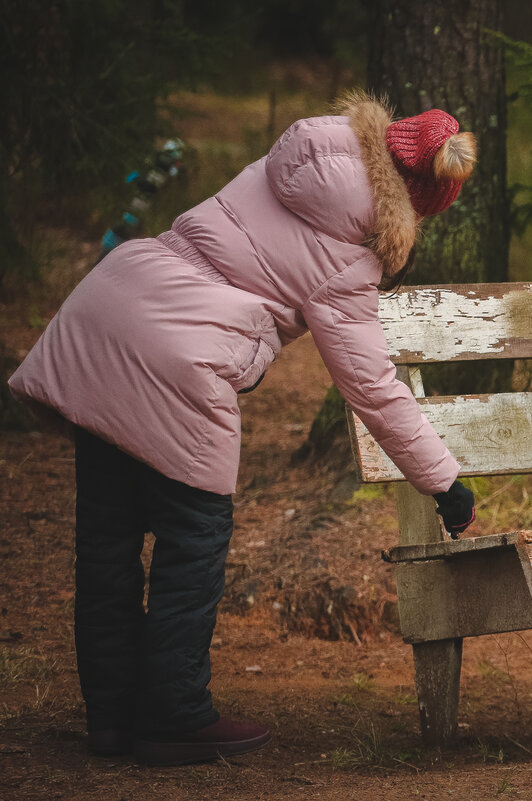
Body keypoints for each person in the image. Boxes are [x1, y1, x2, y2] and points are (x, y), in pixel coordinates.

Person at [7, 92, 478, 766]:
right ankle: (172, 715)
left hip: (106, 306)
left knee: (106, 541)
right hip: (180, 355)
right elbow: (372, 387)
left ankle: (110, 720)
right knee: (194, 534)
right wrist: (445, 482)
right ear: (422, 203)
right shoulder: (354, 250)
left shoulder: (298, 155)